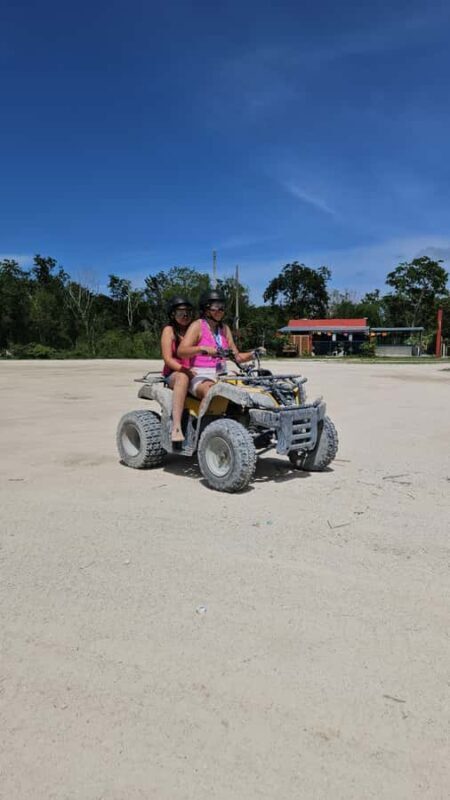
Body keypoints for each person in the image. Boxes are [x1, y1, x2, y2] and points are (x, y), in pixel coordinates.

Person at [177, 290, 254, 401]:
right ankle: (206, 413)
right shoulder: (197, 325)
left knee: (248, 390)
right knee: (213, 393)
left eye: (222, 307)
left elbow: (236, 356)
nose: (220, 311)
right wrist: (203, 349)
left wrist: (253, 354)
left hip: (222, 373)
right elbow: (181, 351)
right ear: (205, 309)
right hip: (201, 374)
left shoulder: (224, 329)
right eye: (215, 307)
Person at [160, 296, 195, 442]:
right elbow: (168, 359)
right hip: (174, 373)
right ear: (172, 314)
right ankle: (176, 426)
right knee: (183, 377)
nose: (185, 315)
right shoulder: (169, 331)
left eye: (188, 312)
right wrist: (185, 371)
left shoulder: (194, 330)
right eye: (180, 312)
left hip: (194, 370)